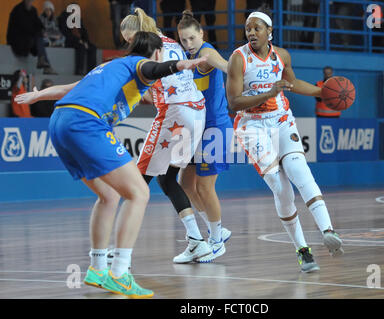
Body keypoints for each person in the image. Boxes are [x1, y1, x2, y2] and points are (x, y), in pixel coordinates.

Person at [14, 31, 208, 298]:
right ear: (158, 53)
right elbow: (151, 67)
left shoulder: (108, 67)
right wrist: (178, 65)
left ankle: (97, 268)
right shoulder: (140, 64)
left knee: (108, 195)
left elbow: (68, 89)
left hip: (59, 121)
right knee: (139, 192)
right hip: (85, 123)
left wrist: (37, 96)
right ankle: (120, 273)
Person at [226, 9, 343, 273]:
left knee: (301, 172)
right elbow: (233, 102)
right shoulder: (237, 59)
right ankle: (303, 250)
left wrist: (323, 92)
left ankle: (328, 230)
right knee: (282, 189)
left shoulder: (282, 56)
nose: (251, 33)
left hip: (281, 120)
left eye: (257, 28)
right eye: (248, 29)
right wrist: (268, 92)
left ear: (269, 31)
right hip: (251, 126)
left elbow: (291, 84)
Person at [120, 8, 215, 263]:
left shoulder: (146, 47)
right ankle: (197, 241)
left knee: (137, 183)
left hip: (176, 113)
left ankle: (119, 253)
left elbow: (143, 89)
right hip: (197, 110)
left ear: (137, 34)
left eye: (129, 40)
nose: (131, 45)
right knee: (167, 178)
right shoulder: (171, 41)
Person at [177, 10, 233, 262]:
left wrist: (241, 68)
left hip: (214, 127)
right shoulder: (185, 57)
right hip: (195, 129)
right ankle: (216, 228)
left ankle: (217, 240)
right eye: (183, 40)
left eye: (192, 38)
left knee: (204, 185)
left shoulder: (206, 53)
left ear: (201, 34)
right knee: (185, 184)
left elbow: (225, 65)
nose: (188, 44)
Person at [6, 0, 57, 75]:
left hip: (29, 40)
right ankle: (45, 63)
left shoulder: (33, 10)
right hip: (18, 41)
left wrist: (42, 31)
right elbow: (23, 27)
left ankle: (43, 61)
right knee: (38, 37)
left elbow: (37, 24)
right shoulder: (18, 10)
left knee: (39, 36)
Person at [58, 3, 97, 75]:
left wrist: (86, 42)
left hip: (80, 41)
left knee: (93, 47)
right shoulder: (64, 19)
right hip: (70, 41)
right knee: (81, 47)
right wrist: (79, 41)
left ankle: (92, 71)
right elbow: (66, 33)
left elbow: (84, 32)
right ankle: (79, 70)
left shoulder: (78, 20)